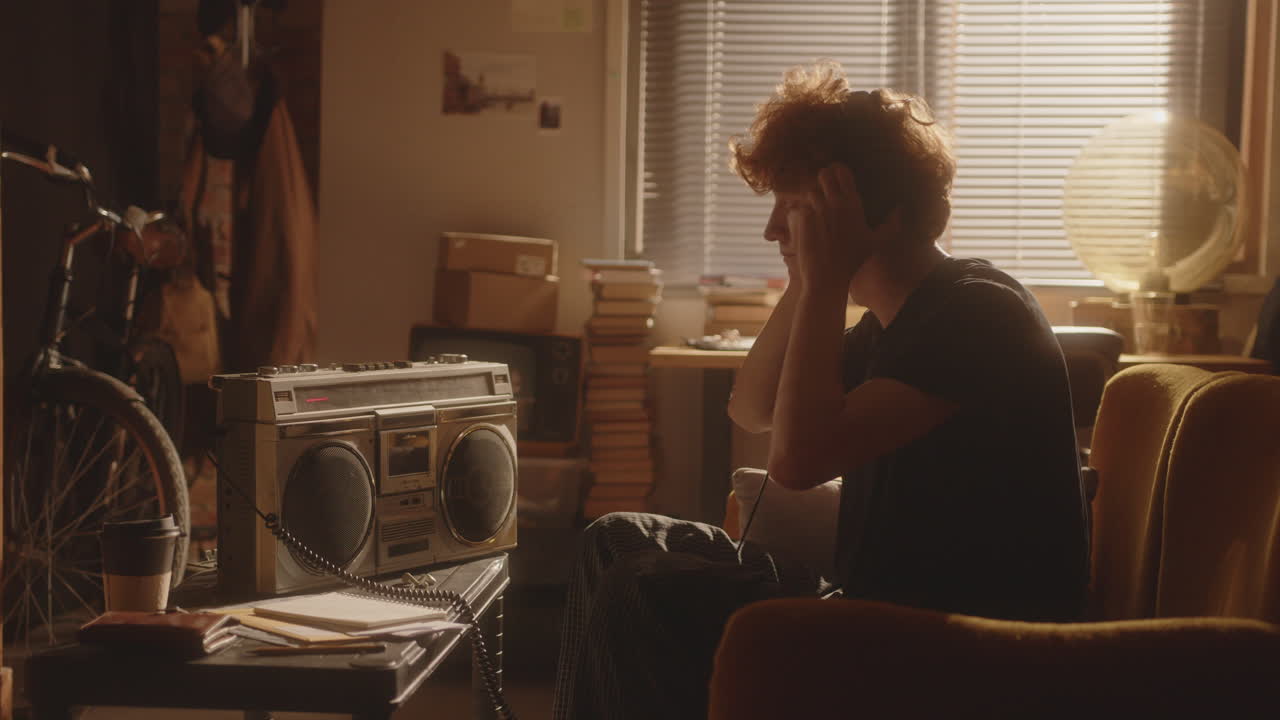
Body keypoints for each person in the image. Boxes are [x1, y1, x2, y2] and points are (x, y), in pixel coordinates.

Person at [553, 60, 1089, 720]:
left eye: (797, 207)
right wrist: (810, 282)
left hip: (954, 641)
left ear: (878, 213)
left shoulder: (978, 313)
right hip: (872, 599)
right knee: (613, 538)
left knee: (642, 589)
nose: (774, 230)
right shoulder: (896, 322)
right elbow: (749, 408)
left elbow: (797, 463)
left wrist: (826, 276)